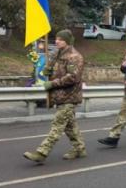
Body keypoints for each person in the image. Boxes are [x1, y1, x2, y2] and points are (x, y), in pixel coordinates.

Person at [24, 30, 86, 163]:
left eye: (60, 39)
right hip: (59, 95)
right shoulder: (56, 53)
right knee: (70, 126)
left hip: (69, 95)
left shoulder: (75, 56)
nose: (57, 41)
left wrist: (52, 83)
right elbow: (52, 68)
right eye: (56, 39)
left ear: (67, 41)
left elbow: (73, 77)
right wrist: (48, 70)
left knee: (57, 125)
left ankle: (42, 152)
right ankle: (79, 148)